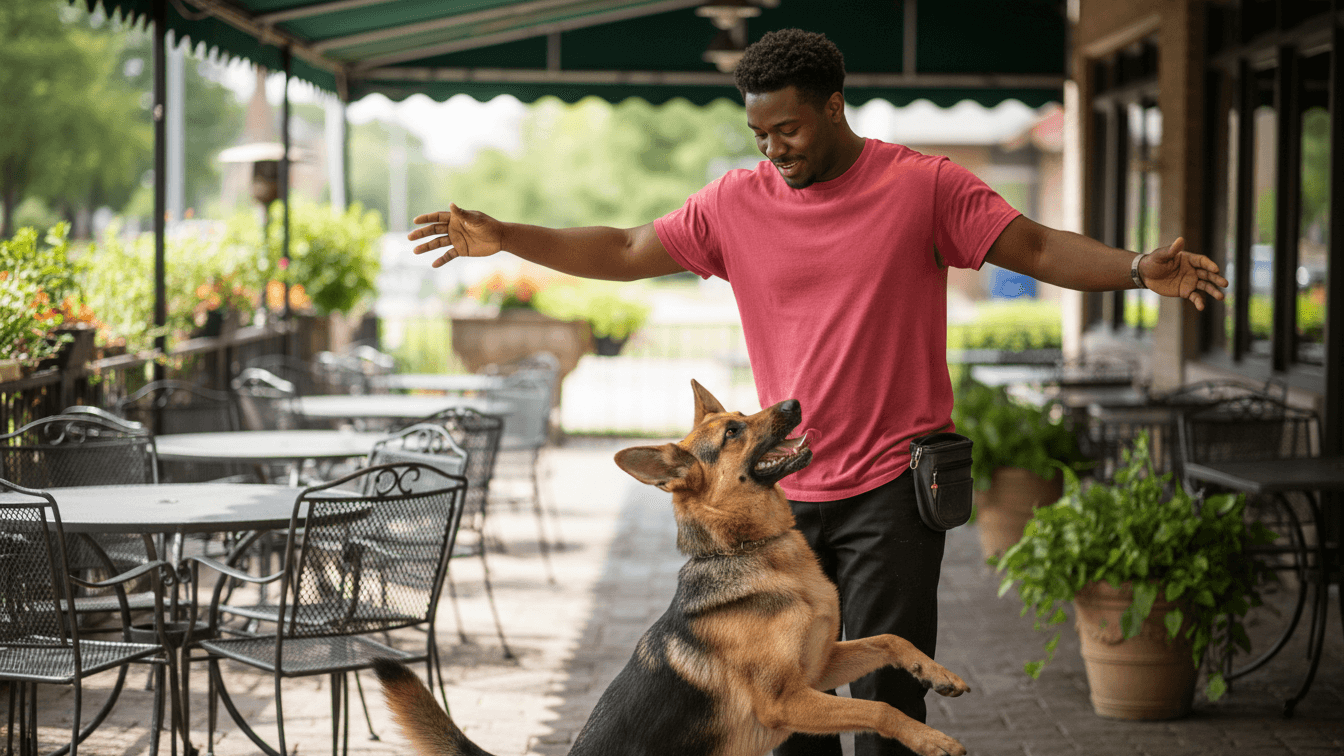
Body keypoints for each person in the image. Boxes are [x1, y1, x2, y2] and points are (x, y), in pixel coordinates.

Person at [407, 28, 1227, 756]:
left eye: (788, 129)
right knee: (789, 720)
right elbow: (624, 248)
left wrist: (1133, 268)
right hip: (781, 497)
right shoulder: (734, 203)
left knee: (888, 697)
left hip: (893, 490)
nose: (774, 148)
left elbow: (1038, 247)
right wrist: (507, 237)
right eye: (759, 134)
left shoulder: (924, 186)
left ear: (835, 107)